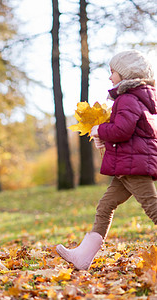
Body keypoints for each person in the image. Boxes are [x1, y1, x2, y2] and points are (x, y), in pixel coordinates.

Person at [56, 50, 157, 270]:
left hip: (133, 166)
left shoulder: (128, 98)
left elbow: (122, 130)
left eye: (113, 72)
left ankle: (83, 255)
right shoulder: (137, 98)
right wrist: (104, 136)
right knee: (105, 205)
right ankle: (83, 257)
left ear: (127, 74)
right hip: (127, 165)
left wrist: (99, 129)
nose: (110, 77)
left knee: (152, 207)